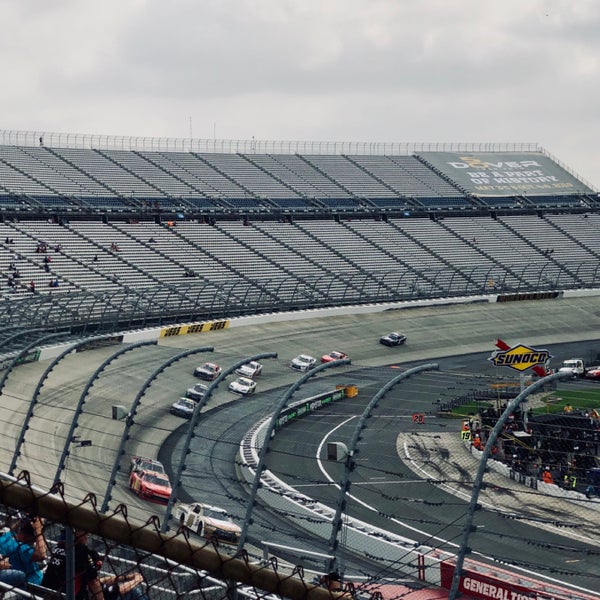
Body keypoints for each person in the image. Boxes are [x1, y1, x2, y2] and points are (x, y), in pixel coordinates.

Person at [42, 528, 104, 600]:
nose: (87, 536)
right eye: (85, 533)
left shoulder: (59, 546)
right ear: (76, 533)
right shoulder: (81, 550)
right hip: (64, 595)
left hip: (46, 591)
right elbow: (93, 581)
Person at [0, 515, 47, 588]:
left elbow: (14, 529)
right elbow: (41, 555)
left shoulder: (7, 537)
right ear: (30, 537)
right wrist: (39, 531)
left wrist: (26, 517)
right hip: (32, 588)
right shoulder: (21, 548)